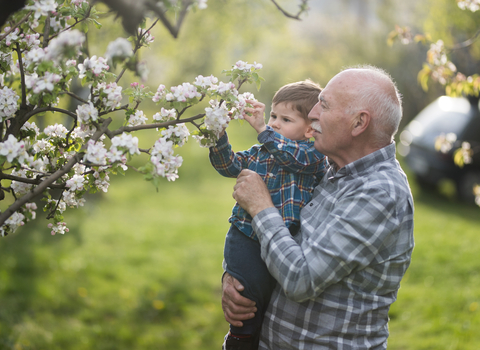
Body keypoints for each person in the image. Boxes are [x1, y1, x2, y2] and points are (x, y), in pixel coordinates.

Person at [223, 66, 415, 350]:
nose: (312, 114)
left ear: (359, 123)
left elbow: (301, 280)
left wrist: (261, 207)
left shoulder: (380, 192)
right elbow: (279, 245)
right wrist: (235, 278)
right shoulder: (326, 167)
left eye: (323, 105)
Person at [209, 80, 328, 349]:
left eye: (285, 119)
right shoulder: (262, 152)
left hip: (284, 241)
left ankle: (261, 334)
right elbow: (228, 165)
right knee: (246, 293)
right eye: (273, 115)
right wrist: (217, 135)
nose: (274, 123)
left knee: (272, 295)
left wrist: (263, 129)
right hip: (246, 236)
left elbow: (292, 158)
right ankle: (240, 338)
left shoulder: (312, 155)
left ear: (310, 129)